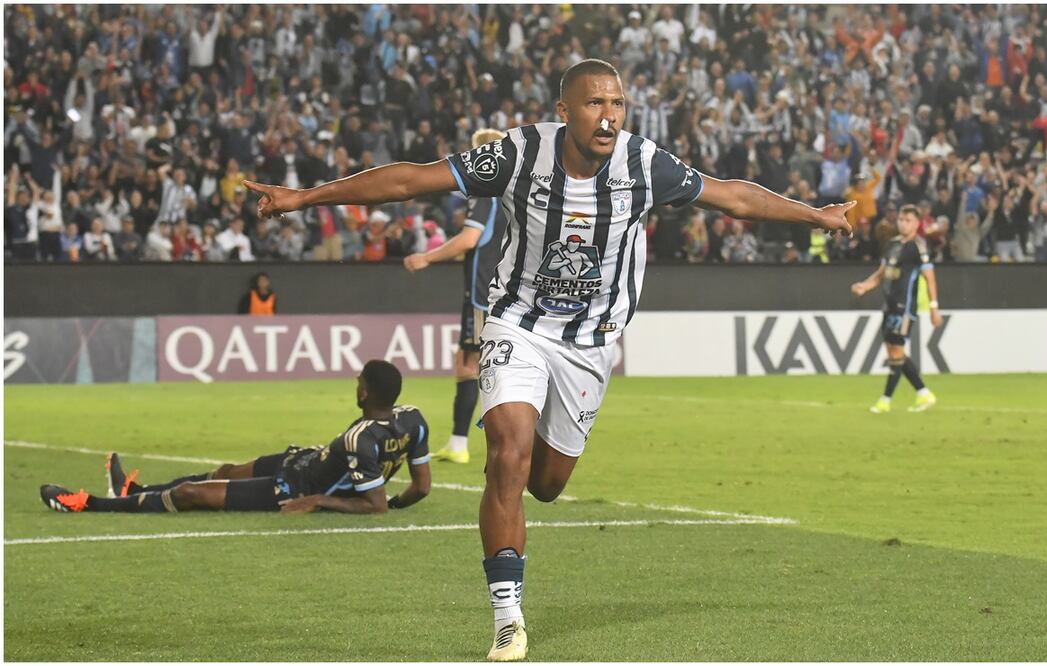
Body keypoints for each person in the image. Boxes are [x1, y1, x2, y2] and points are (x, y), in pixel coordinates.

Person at [243, 58, 853, 662]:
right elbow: (410, 181)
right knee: (507, 456)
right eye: (594, 104)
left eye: (616, 104)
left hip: (592, 343)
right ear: (564, 112)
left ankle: (522, 506)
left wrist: (815, 215)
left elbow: (733, 199)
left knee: (548, 483)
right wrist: (304, 198)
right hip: (518, 325)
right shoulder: (515, 156)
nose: (608, 116)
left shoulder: (645, 163)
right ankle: (508, 619)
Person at [41, 361, 431, 515]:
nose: (355, 385)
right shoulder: (414, 419)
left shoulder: (359, 439)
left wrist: (317, 501)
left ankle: (87, 505)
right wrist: (401, 504)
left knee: (192, 494)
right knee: (224, 470)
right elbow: (422, 487)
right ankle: (132, 489)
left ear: (364, 393)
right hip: (302, 460)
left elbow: (374, 504)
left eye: (358, 382)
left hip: (290, 487)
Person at [404, 128, 509, 465]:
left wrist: (426, 257)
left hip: (483, 291)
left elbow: (469, 239)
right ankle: (461, 442)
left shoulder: (486, 192)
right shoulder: (513, 192)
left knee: (473, 363)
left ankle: (464, 443)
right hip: (504, 288)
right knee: (473, 361)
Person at [851, 204, 945, 414]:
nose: (903, 223)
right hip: (889, 305)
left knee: (896, 351)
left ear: (917, 223)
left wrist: (934, 307)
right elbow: (882, 272)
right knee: (894, 352)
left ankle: (885, 400)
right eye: (901, 220)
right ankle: (923, 393)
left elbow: (930, 279)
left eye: (908, 220)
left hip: (904, 307)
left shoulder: (919, 247)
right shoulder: (892, 244)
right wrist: (865, 286)